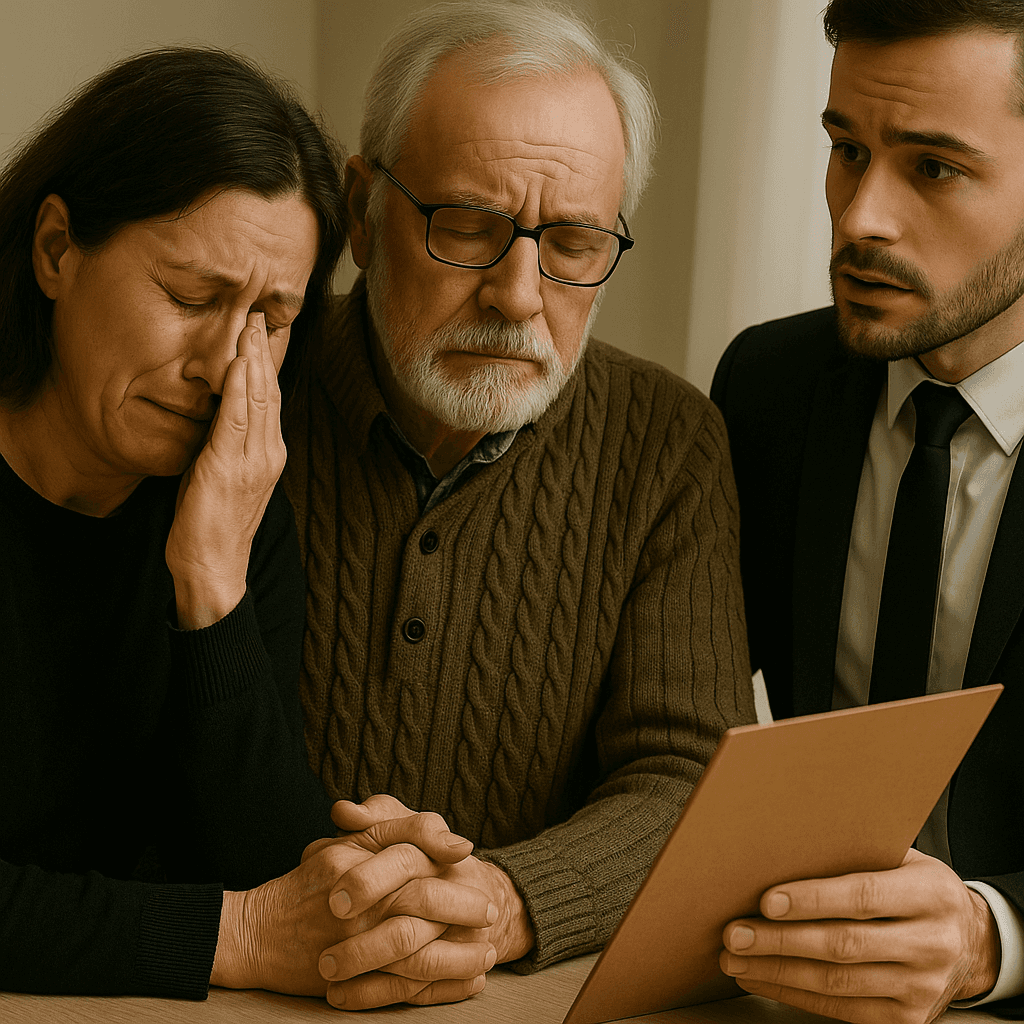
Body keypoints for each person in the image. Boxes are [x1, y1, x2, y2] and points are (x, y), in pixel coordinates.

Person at [281, 0, 755, 1011]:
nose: (518, 293)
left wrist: (498, 901)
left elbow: (683, 772)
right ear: (362, 213)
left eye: (574, 243)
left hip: (512, 998)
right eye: (467, 226)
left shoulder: (666, 440)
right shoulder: (239, 386)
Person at [0, 46, 478, 1004]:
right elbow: (257, 924)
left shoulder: (230, 504)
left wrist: (212, 586)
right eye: (191, 297)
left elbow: (260, 865)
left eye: (273, 317)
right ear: (57, 251)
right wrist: (231, 933)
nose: (227, 363)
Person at [711, 1, 1024, 1021]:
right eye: (847, 150)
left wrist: (987, 939)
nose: (856, 218)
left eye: (931, 167)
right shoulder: (768, 388)